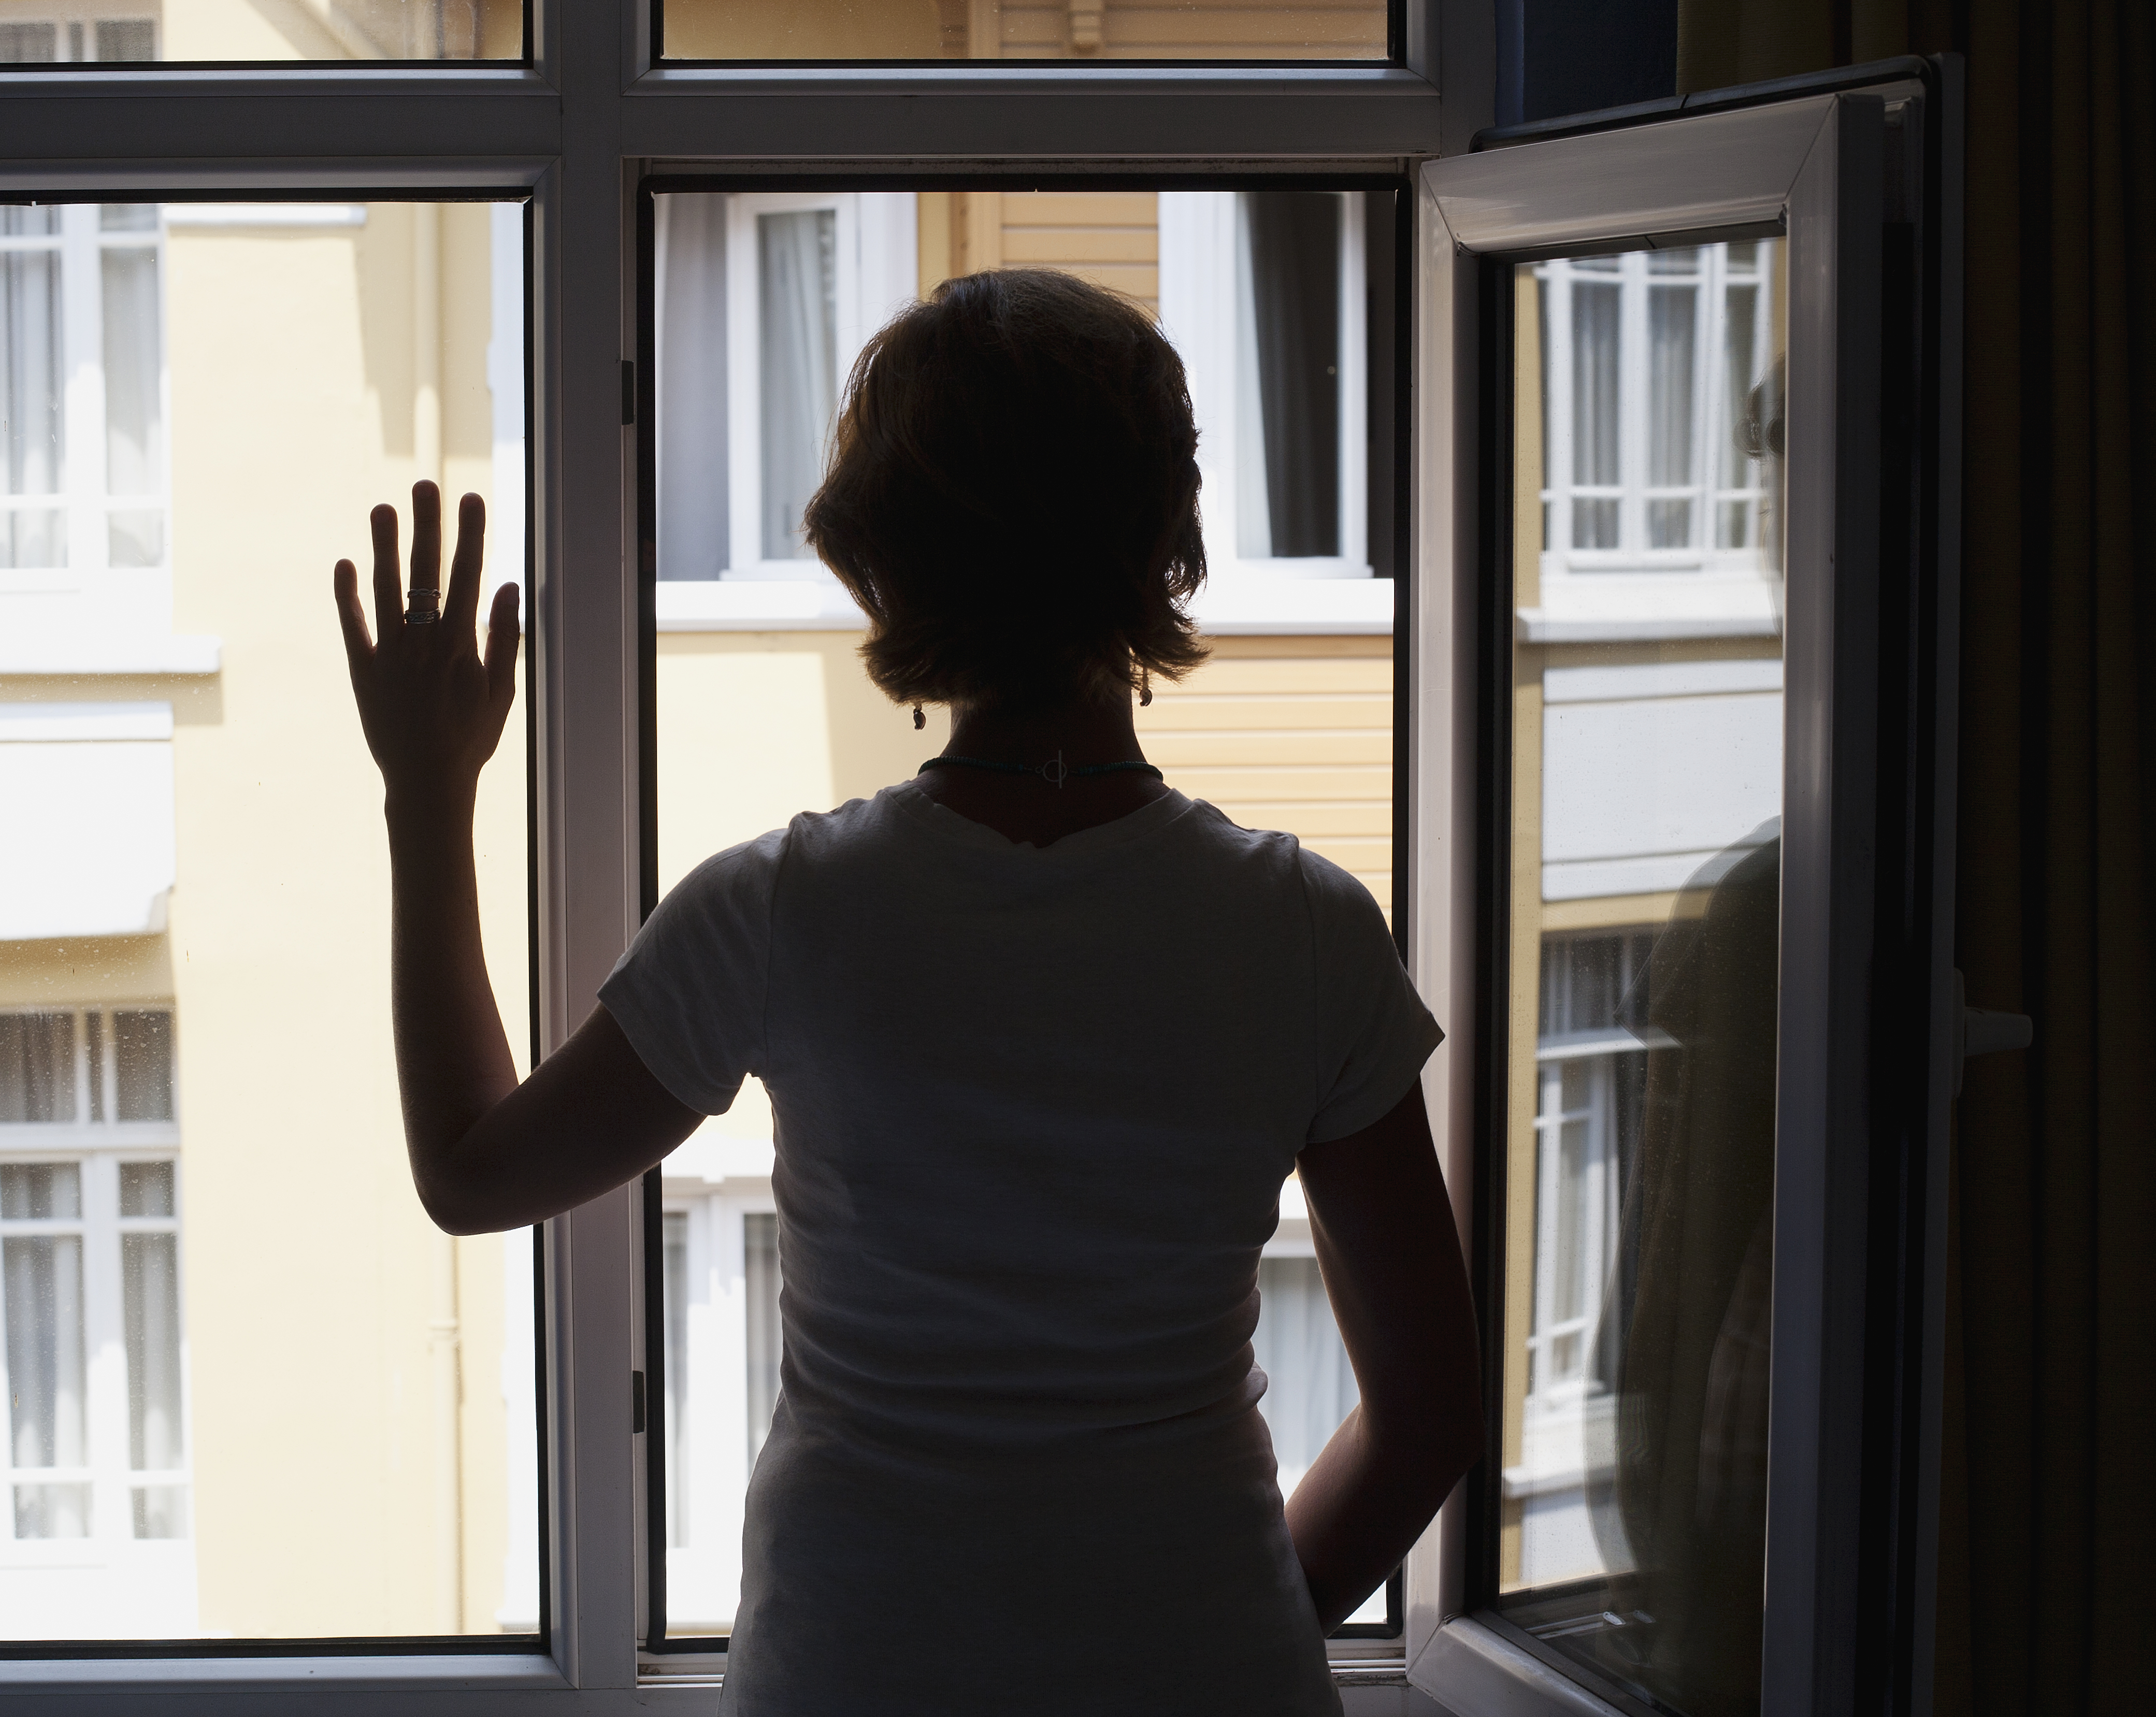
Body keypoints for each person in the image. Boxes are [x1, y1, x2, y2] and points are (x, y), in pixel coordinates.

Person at [333, 268, 1481, 1715]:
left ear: (886, 563)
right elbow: (1431, 1411)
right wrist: (1232, 1611)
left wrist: (428, 795)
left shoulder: (782, 911)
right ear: (1166, 543)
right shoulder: (1305, 928)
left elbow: (472, 1167)